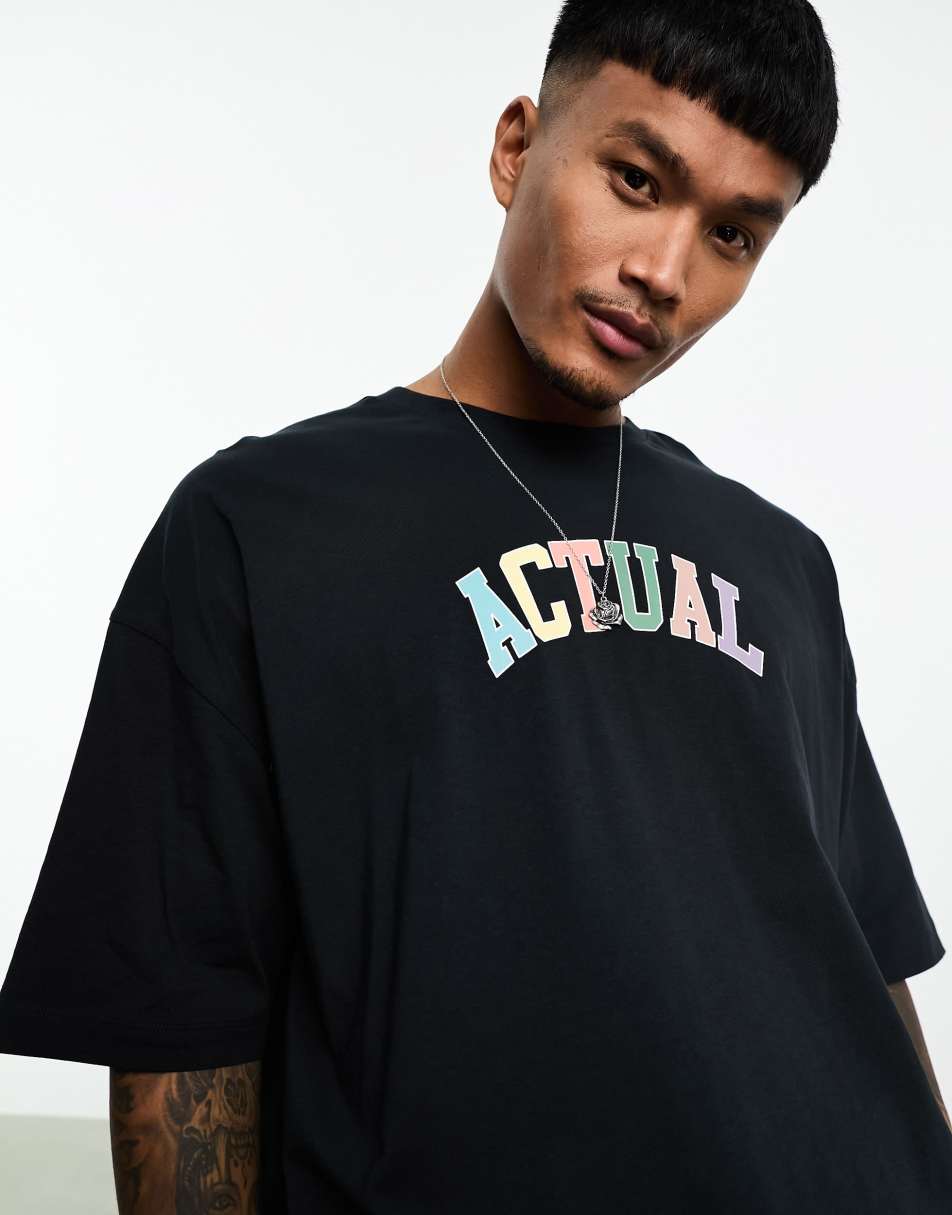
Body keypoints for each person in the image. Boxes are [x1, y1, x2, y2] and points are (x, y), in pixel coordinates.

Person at [1, 0, 950, 1210]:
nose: (662, 273)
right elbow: (181, 1032)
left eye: (731, 234)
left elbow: (862, 969)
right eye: (635, 180)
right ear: (516, 149)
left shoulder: (780, 563)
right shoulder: (260, 528)